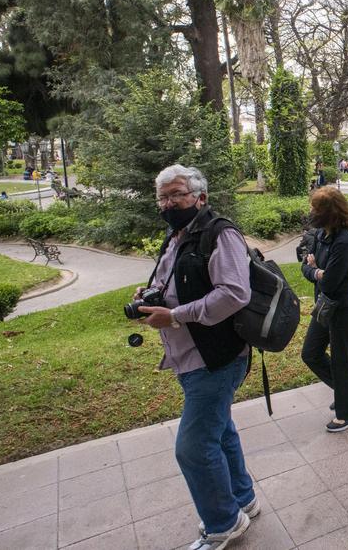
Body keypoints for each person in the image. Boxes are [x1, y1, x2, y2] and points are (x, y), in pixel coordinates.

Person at [132, 165, 257, 550]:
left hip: (217, 358)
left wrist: (175, 315)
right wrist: (151, 295)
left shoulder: (221, 233)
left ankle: (223, 523)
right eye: (163, 197)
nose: (168, 204)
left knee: (193, 447)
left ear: (200, 198)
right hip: (189, 356)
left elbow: (235, 293)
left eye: (177, 195)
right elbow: (172, 280)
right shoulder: (177, 236)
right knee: (220, 430)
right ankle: (243, 499)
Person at [301, 186, 348, 431]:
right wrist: (316, 271)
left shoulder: (345, 242)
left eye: (315, 209)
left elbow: (329, 282)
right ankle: (346, 392)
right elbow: (305, 266)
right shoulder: (320, 235)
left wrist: (315, 270)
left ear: (329, 212)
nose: (311, 212)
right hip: (324, 305)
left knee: (341, 360)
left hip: (344, 309)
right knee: (310, 353)